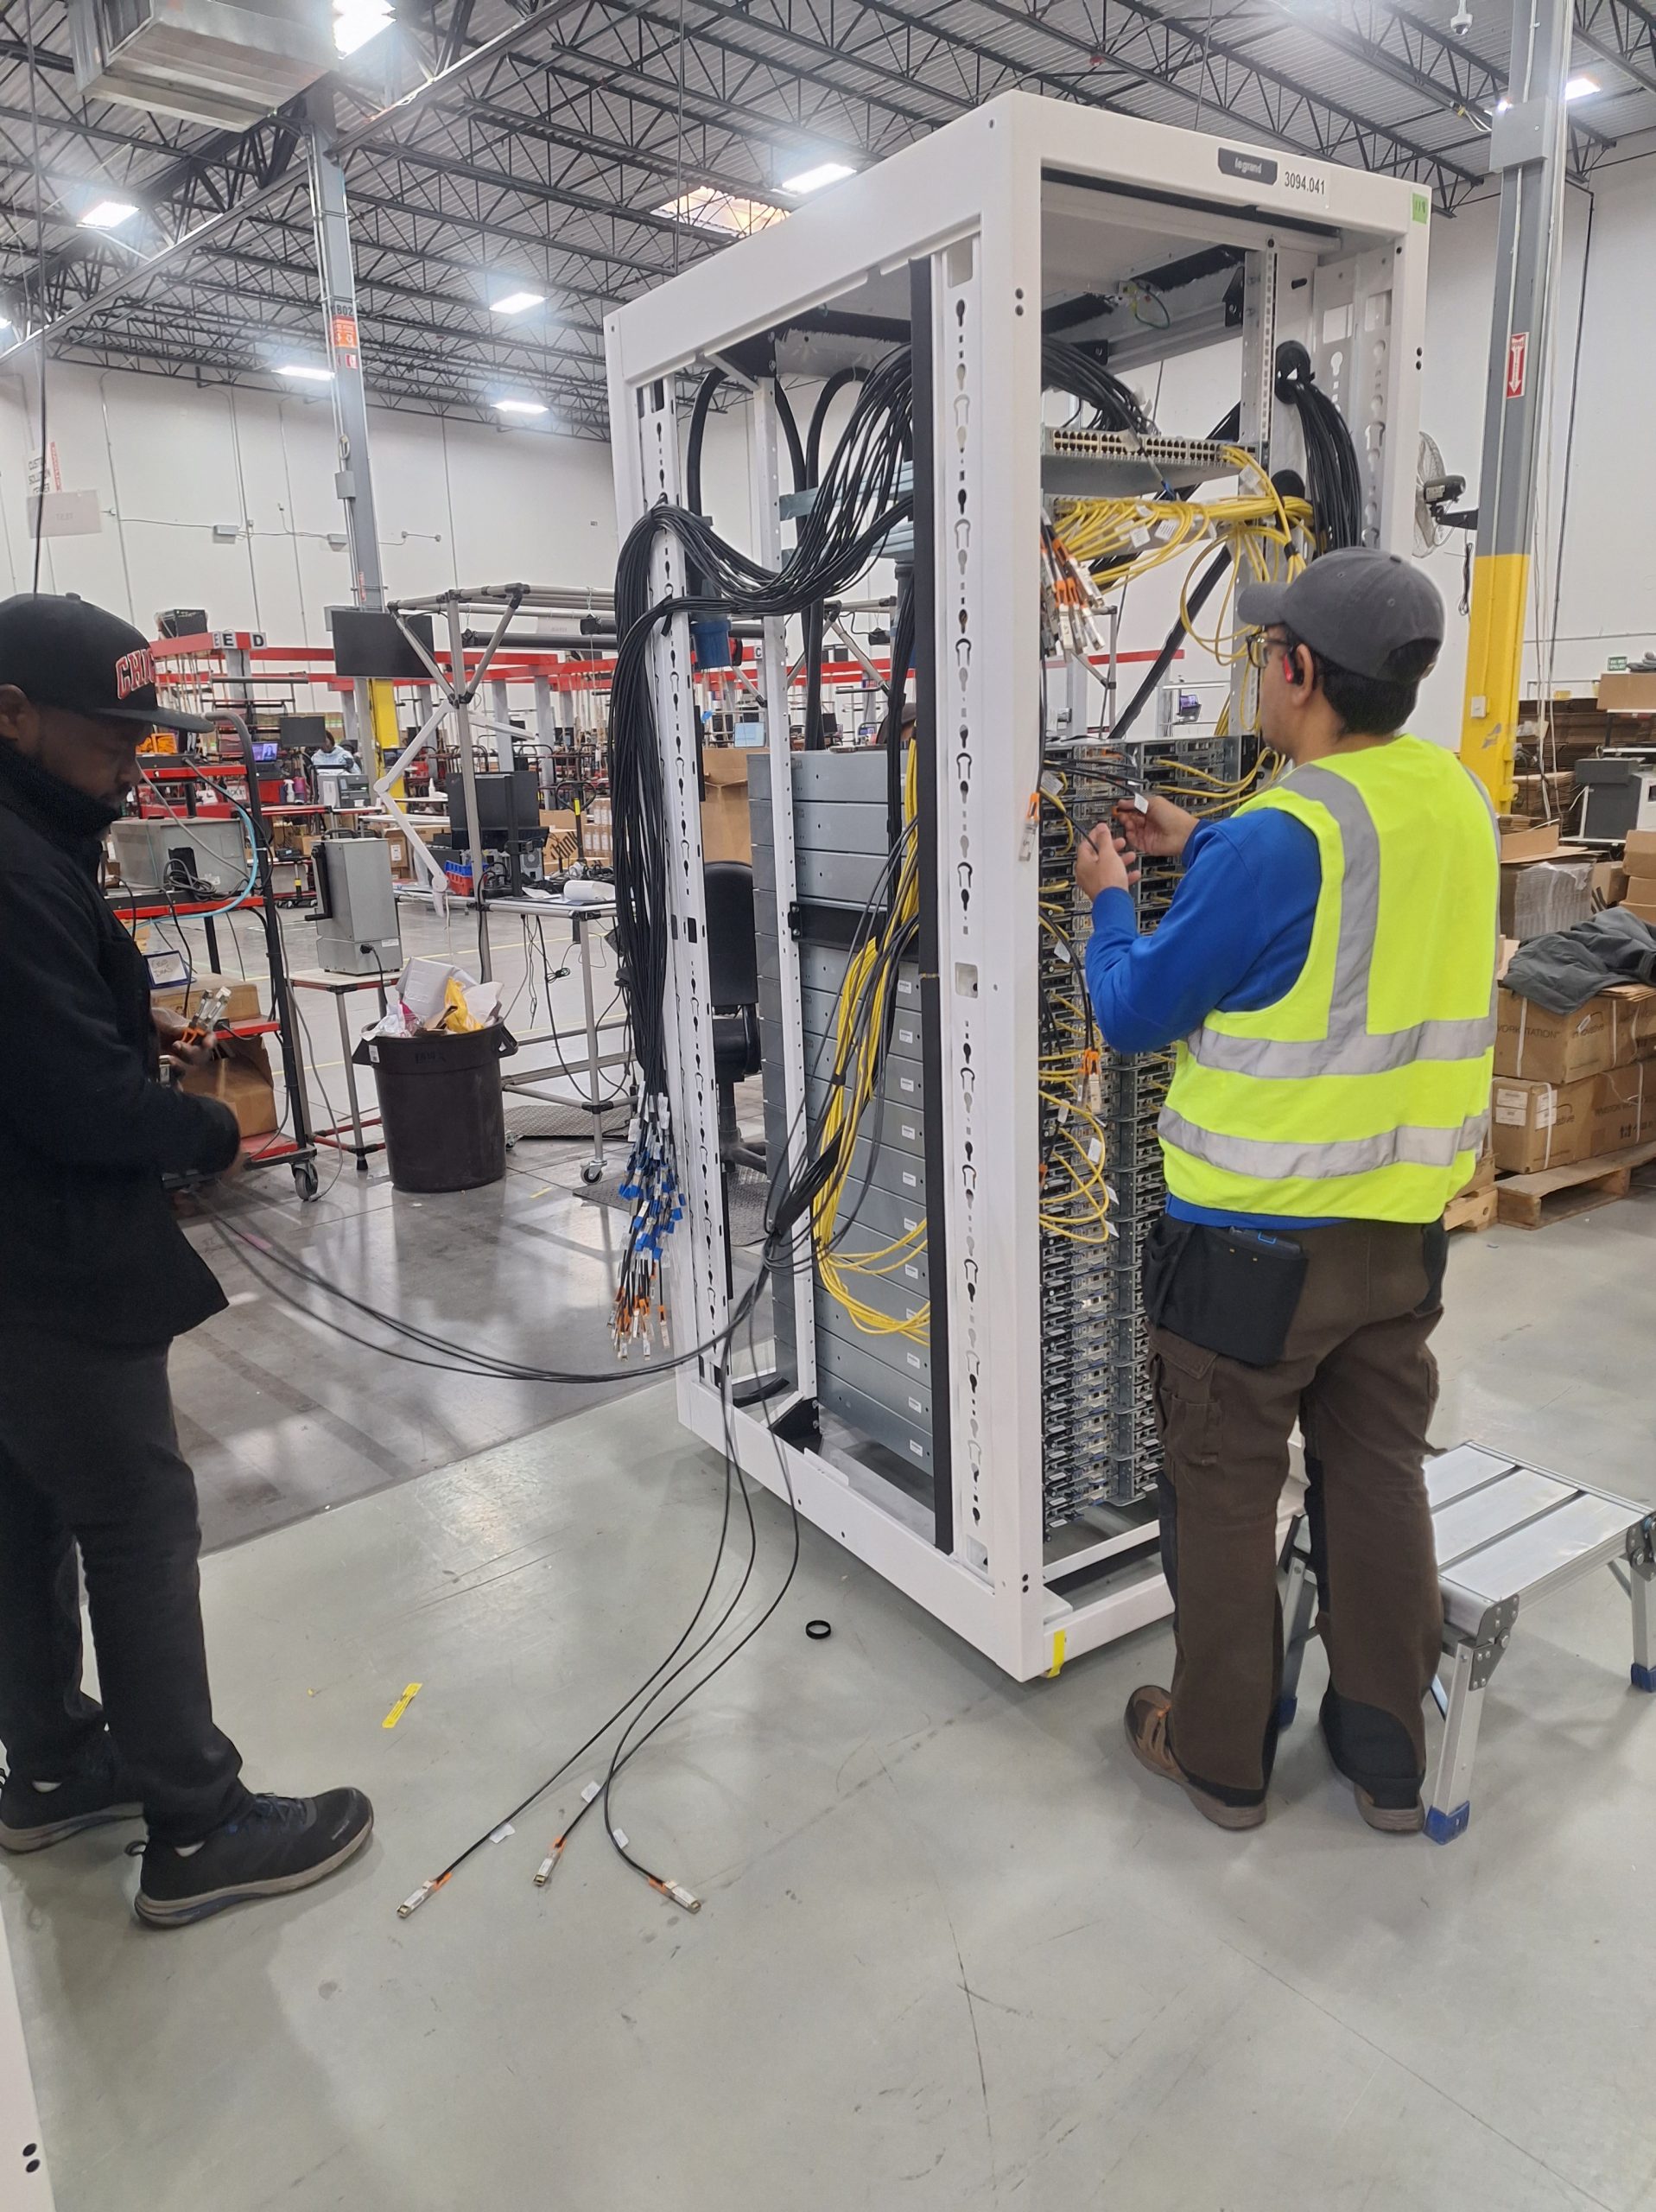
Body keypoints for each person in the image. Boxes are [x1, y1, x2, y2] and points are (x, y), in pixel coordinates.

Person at [1075, 550, 1496, 1834]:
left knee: (1221, 1489)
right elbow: (1345, 918)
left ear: (1300, 672)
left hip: (1250, 1252)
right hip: (1399, 1238)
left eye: (1265, 654)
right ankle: (1383, 1758)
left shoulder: (1279, 836)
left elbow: (1136, 1006)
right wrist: (1202, 849)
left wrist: (1109, 900)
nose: (1259, 671)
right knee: (1375, 1476)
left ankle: (1216, 1757)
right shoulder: (1453, 801)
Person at [0, 593, 372, 1924]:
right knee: (139, 1520)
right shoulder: (13, 862)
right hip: (50, 1267)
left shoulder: (32, 843)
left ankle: (46, 1762)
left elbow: (43, 1042)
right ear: (13, 716)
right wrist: (210, 1123)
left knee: (28, 1504)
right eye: (113, 737)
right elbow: (76, 1107)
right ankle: (198, 1827)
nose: (136, 760)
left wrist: (117, 1018)